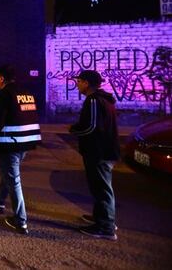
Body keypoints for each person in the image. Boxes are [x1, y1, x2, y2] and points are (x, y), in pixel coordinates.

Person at [0, 64, 41, 235]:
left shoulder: (4, 95)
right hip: (26, 142)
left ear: (1, 78)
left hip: (10, 143)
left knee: (14, 180)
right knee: (9, 173)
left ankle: (20, 221)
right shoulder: (26, 93)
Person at [69, 70, 119, 241]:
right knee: (100, 187)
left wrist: (75, 130)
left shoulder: (94, 101)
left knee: (102, 188)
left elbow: (91, 126)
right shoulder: (104, 99)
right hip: (103, 150)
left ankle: (106, 226)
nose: (77, 84)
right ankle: (102, 218)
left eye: (79, 81)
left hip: (99, 152)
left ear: (86, 83)